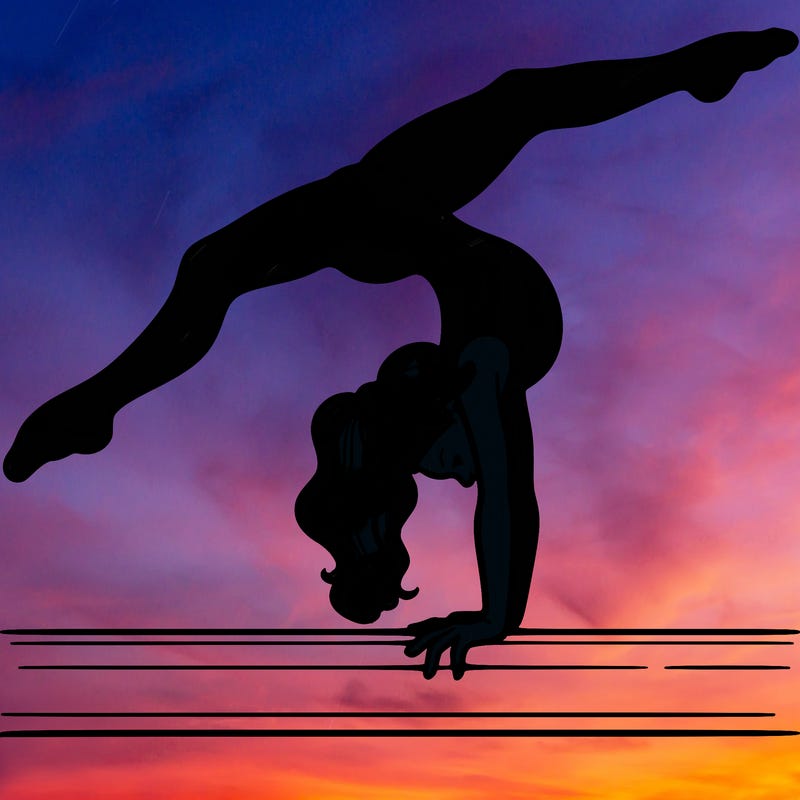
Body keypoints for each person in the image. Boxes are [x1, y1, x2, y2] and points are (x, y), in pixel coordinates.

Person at [4, 28, 796, 678]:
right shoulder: (483, 370)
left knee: (216, 266)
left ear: (420, 433)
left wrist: (496, 615)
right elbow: (505, 495)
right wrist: (497, 616)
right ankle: (97, 405)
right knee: (509, 106)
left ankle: (96, 406)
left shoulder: (459, 383)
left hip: (398, 221)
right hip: (419, 234)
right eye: (461, 470)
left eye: (448, 468)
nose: (465, 471)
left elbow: (505, 498)